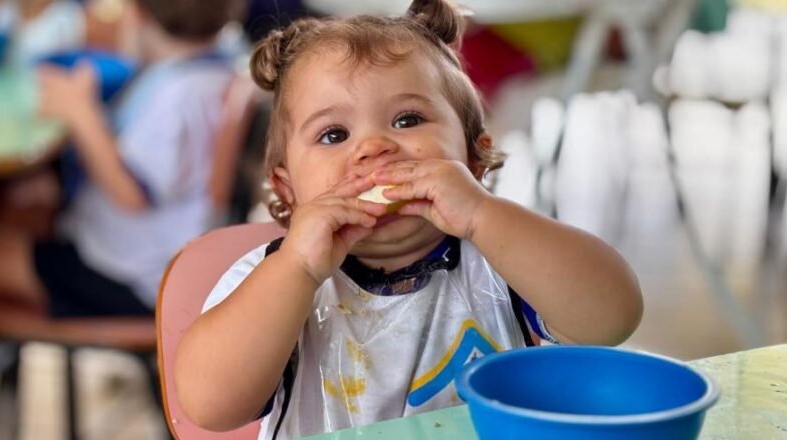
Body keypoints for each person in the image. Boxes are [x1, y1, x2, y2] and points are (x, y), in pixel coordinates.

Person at [174, 1, 643, 438]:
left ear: (474, 158)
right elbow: (210, 406)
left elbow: (612, 319)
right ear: (288, 191)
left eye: (408, 120)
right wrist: (296, 266)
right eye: (333, 134)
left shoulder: (506, 257)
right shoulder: (273, 279)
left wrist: (483, 213)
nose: (373, 146)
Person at [0, 0, 242, 317]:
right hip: (139, 260)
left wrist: (81, 114)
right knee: (6, 212)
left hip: (130, 277)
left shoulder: (181, 94)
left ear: (135, 14)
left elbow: (131, 193)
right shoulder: (208, 74)